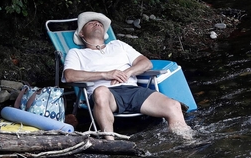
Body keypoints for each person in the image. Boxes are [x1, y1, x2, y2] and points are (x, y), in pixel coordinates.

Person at [63, 11, 192, 139]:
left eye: (100, 23)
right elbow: (69, 75)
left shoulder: (118, 45)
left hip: (133, 90)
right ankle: (111, 144)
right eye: (91, 23)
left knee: (174, 105)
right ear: (81, 33)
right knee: (101, 91)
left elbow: (146, 63)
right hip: (107, 95)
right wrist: (106, 74)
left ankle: (187, 143)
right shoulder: (76, 53)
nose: (97, 23)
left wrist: (127, 72)